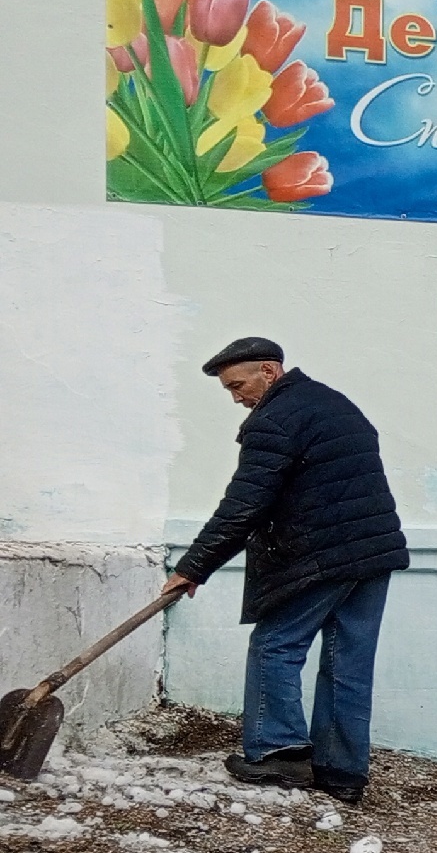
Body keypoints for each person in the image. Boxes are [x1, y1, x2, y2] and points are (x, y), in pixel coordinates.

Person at [169, 337, 408, 804]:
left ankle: (277, 752)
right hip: (372, 551)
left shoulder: (275, 420)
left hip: (321, 556)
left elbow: (245, 505)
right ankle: (341, 772)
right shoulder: (333, 404)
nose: (236, 398)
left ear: (269, 371)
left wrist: (193, 567)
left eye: (237, 386)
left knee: (275, 645)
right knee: (348, 661)